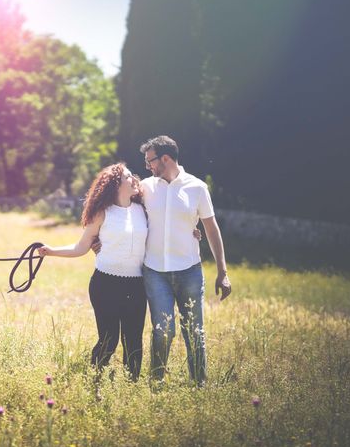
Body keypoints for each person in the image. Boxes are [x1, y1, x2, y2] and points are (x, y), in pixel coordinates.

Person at [38, 163, 148, 380]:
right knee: (109, 339)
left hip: (136, 285)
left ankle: (132, 385)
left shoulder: (142, 210)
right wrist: (50, 251)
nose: (134, 179)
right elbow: (80, 248)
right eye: (128, 176)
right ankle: (94, 379)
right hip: (105, 284)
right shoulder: (102, 214)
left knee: (134, 341)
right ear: (116, 185)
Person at [138, 135, 231, 385]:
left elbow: (211, 230)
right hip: (155, 271)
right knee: (163, 331)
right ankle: (155, 381)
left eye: (150, 161)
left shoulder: (197, 188)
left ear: (165, 158)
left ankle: (199, 383)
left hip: (189, 271)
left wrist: (223, 272)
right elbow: (123, 210)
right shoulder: (146, 187)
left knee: (194, 331)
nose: (148, 166)